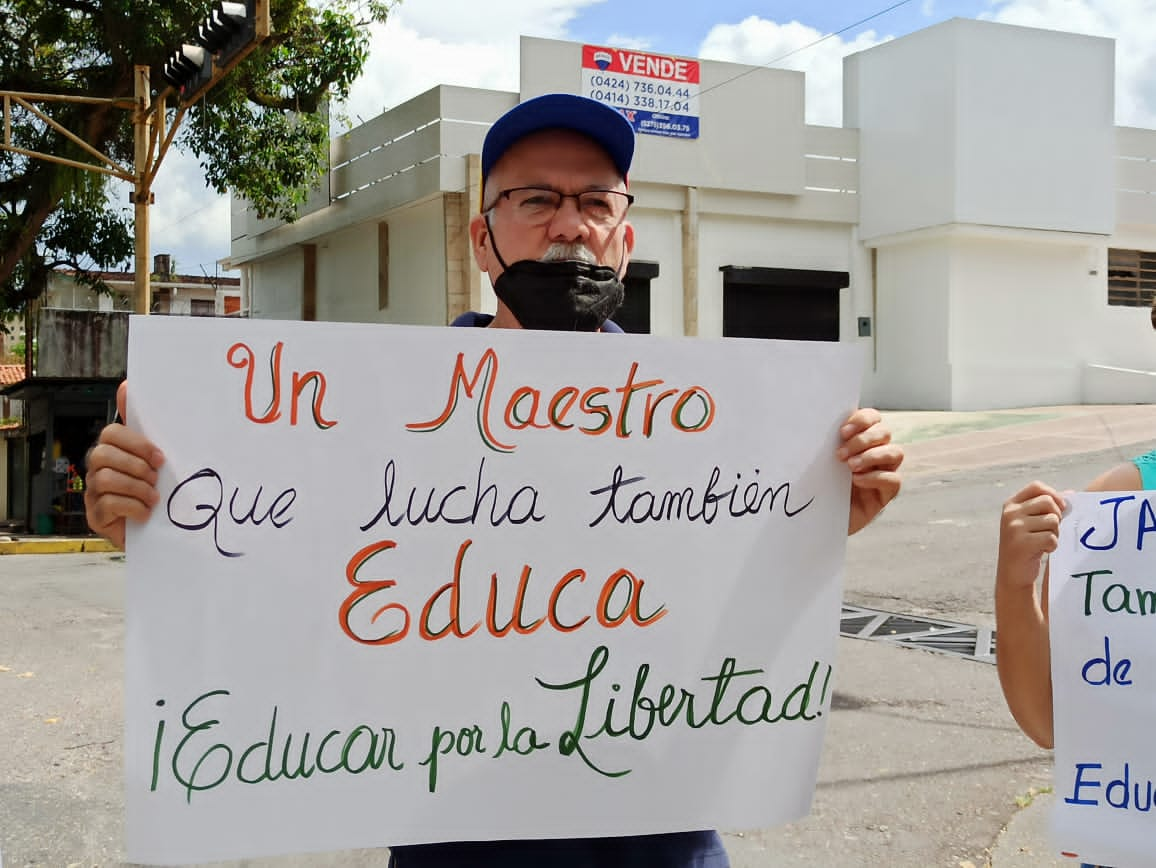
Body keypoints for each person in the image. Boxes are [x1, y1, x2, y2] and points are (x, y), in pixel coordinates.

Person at [85, 93, 905, 867]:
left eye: (596, 202)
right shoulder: (374, 415)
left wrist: (819, 520)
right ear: (482, 240)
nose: (569, 227)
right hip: (459, 837)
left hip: (660, 830)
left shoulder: (717, 428)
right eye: (536, 200)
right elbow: (294, 575)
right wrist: (156, 525)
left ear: (625, 236)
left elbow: (725, 608)